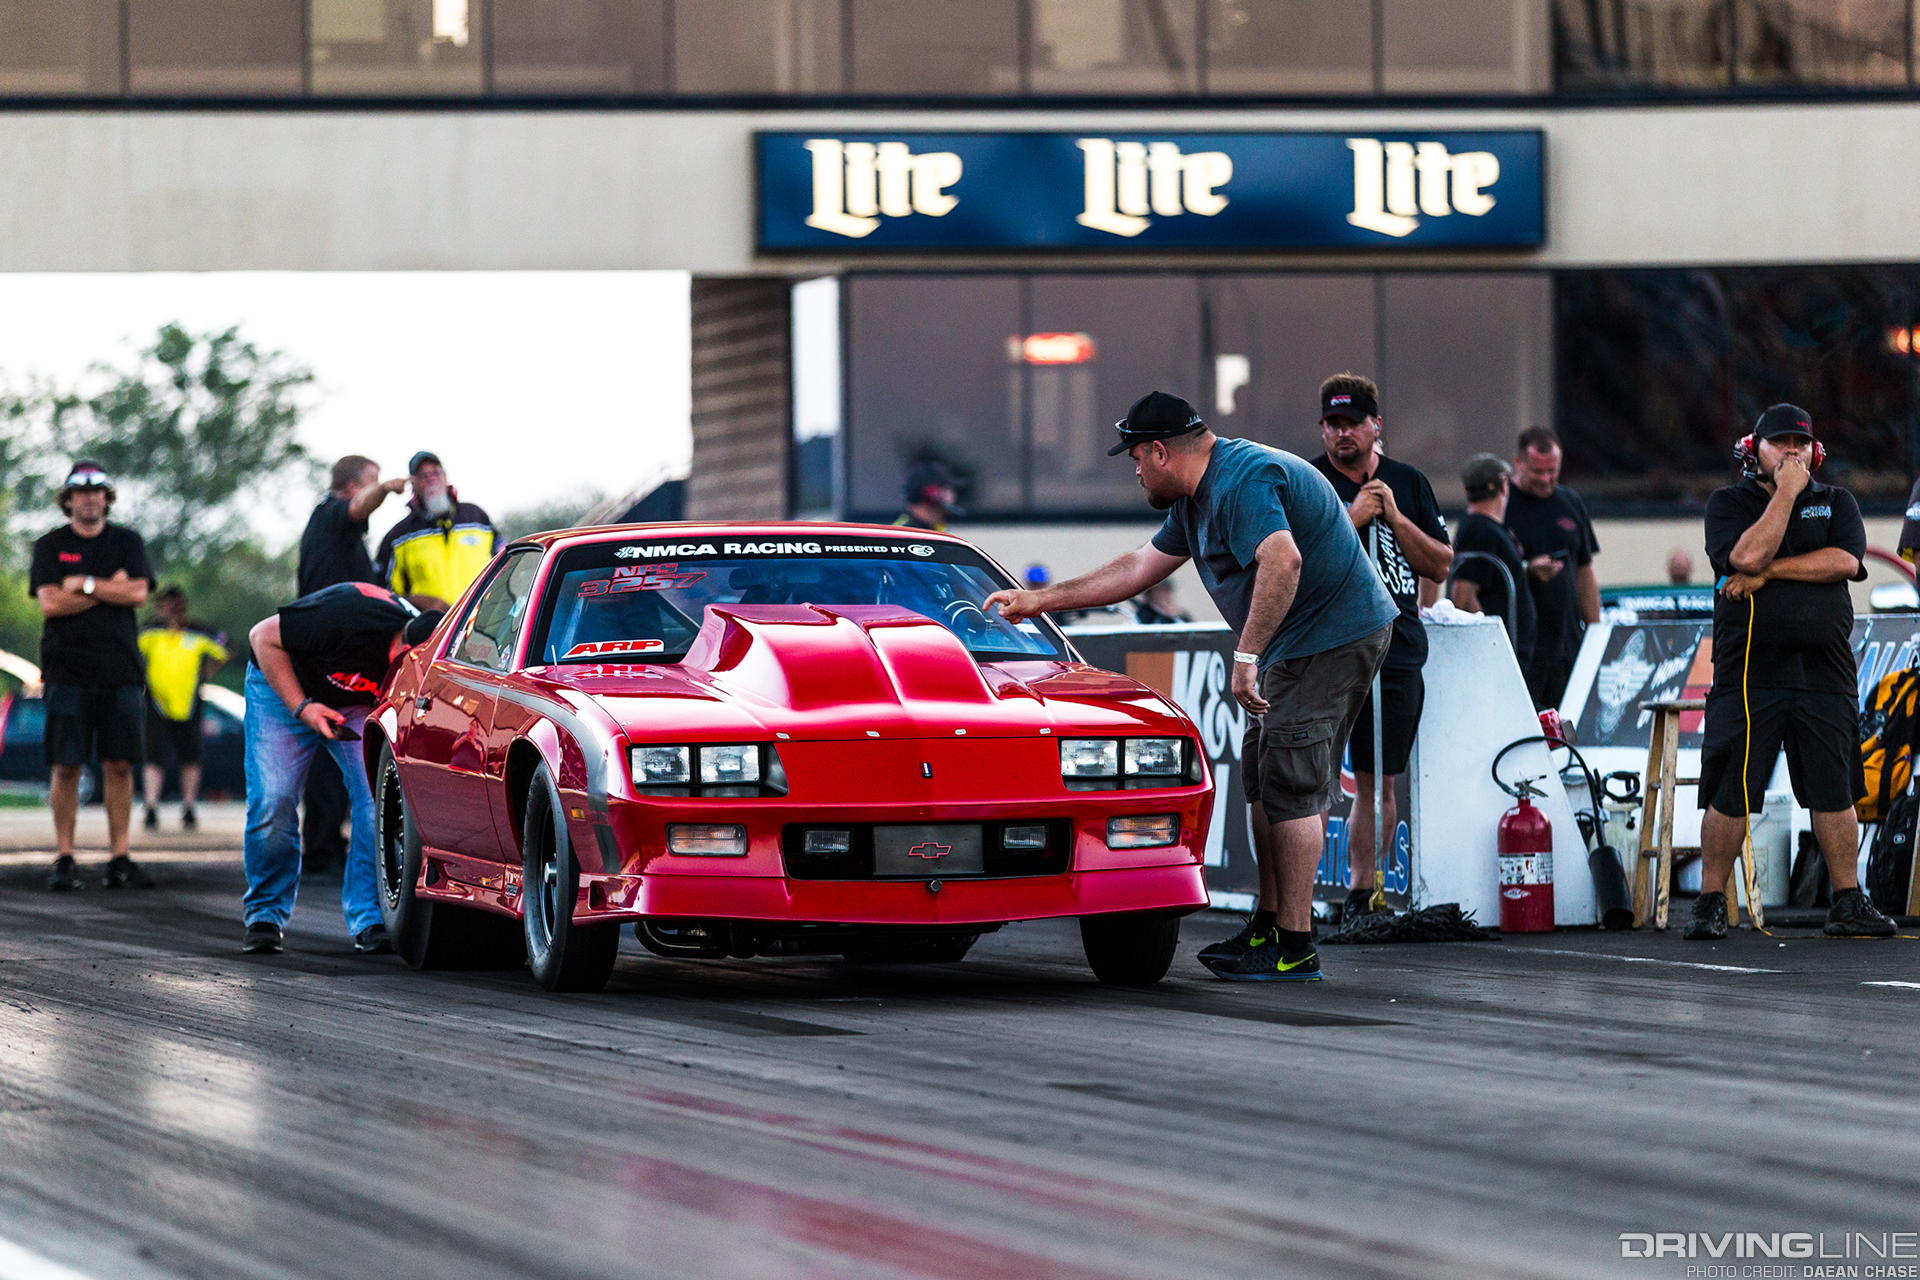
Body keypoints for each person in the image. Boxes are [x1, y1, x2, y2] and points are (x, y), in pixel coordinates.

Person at [986, 390, 1396, 984]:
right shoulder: (1194, 499)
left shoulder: (1241, 481)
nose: (1133, 470)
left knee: (1293, 780)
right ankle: (1270, 923)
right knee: (1263, 779)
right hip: (1297, 642)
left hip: (1333, 634)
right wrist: (1041, 599)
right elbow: (1136, 568)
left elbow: (1284, 561)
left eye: (1133, 457)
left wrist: (1248, 653)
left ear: (1160, 452)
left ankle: (1296, 945)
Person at [1688, 405, 1894, 940]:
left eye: (1800, 444)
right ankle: (1711, 901)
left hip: (1824, 669)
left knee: (1835, 789)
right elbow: (1746, 555)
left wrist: (1771, 574)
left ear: (1814, 451)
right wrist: (1784, 494)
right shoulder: (1729, 504)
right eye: (1780, 444)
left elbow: (1845, 562)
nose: (1792, 453)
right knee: (1732, 786)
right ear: (1754, 449)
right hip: (1751, 669)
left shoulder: (1837, 502)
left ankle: (1847, 900)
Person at [1307, 373, 1453, 919]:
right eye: (1332, 424)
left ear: (1376, 426)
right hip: (1328, 647)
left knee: (1377, 780)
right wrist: (1353, 518)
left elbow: (1439, 562)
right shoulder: (1308, 482)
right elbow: (1297, 562)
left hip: (1397, 648)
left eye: (1352, 423)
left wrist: (1392, 515)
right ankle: (1305, 902)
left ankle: (1368, 891)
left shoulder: (1407, 483)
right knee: (1316, 779)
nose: (1342, 434)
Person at [240, 582, 443, 955]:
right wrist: (303, 708)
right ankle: (265, 915)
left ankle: (370, 918)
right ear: (400, 645)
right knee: (274, 798)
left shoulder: (428, 659)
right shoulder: (350, 615)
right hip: (283, 688)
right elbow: (262, 637)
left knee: (377, 804)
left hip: (355, 705)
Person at [28, 461, 157, 891]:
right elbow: (50, 604)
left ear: (107, 497)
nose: (89, 498)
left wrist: (81, 585)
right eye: (80, 492)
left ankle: (119, 857)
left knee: (119, 764)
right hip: (66, 670)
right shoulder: (49, 545)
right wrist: (107, 588)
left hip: (120, 671)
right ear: (67, 500)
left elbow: (138, 592)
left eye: (98, 491)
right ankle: (65, 856)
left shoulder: (127, 541)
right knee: (66, 765)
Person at [297, 455, 405, 876]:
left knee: (342, 744)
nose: (376, 488)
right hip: (326, 649)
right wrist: (389, 487)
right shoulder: (332, 514)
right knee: (331, 742)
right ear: (351, 485)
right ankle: (321, 847)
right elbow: (360, 507)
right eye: (370, 481)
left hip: (336, 645)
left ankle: (328, 839)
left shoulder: (336, 532)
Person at [1504, 426, 1601, 710]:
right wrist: (1526, 571)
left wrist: (1594, 634)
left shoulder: (1570, 502)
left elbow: (1584, 570)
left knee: (1569, 733)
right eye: (1537, 472)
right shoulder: (1503, 504)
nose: (1546, 479)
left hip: (1567, 647)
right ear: (1518, 463)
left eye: (1553, 471)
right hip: (1522, 649)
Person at [138, 586, 228, 832]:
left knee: (190, 755)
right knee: (154, 755)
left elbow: (225, 648)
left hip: (189, 704)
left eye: (165, 604)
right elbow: (134, 654)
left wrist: (206, 673)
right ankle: (151, 807)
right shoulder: (150, 629)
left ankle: (188, 807)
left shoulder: (198, 631)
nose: (161, 610)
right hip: (156, 703)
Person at [375, 452, 497, 613]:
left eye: (436, 473)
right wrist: (415, 602)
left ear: (445, 477)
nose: (431, 479)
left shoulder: (476, 517)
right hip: (432, 631)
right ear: (413, 483)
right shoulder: (398, 536)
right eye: (423, 475)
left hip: (485, 623)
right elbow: (383, 594)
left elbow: (506, 565)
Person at [1450, 454, 1538, 676]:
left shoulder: (1483, 529)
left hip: (1505, 657)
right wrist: (1493, 641)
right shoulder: (1479, 530)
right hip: (1496, 664)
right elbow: (1463, 596)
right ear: (1503, 485)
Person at [894, 460, 963, 532]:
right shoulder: (904, 534)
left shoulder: (938, 528)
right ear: (932, 494)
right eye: (947, 489)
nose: (953, 496)